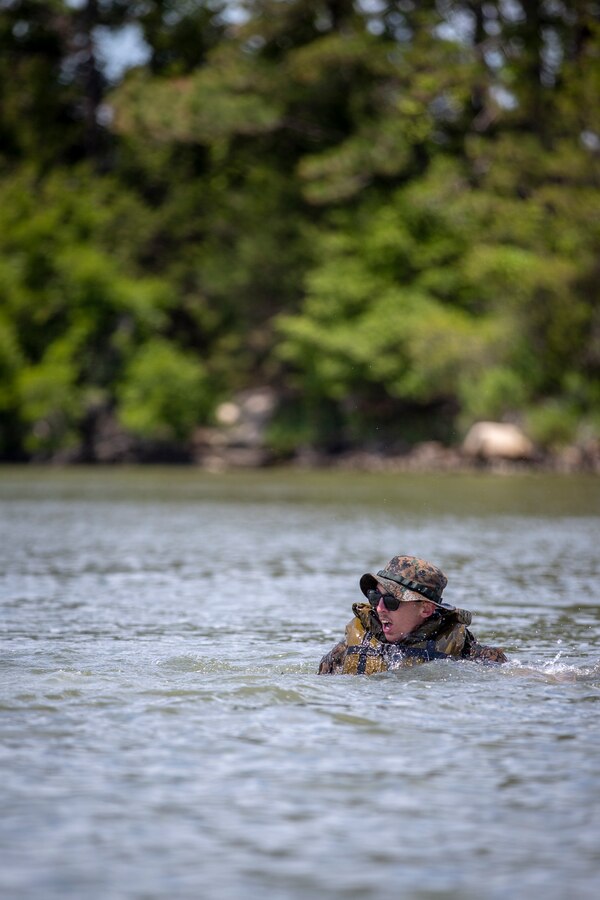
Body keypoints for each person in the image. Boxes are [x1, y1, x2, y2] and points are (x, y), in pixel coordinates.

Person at [318, 555, 507, 675]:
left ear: (425, 609)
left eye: (392, 601)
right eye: (375, 597)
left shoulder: (472, 655)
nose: (380, 608)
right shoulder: (347, 650)